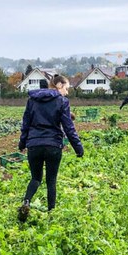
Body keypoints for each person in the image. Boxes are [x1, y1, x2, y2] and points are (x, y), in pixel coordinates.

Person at [18, 75, 84, 223]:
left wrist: (22, 143)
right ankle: (51, 214)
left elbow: (25, 124)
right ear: (59, 85)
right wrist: (78, 148)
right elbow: (69, 127)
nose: (67, 92)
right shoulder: (62, 101)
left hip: (34, 145)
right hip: (53, 145)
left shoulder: (32, 100)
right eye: (66, 88)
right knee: (51, 181)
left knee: (35, 178)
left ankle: (26, 202)